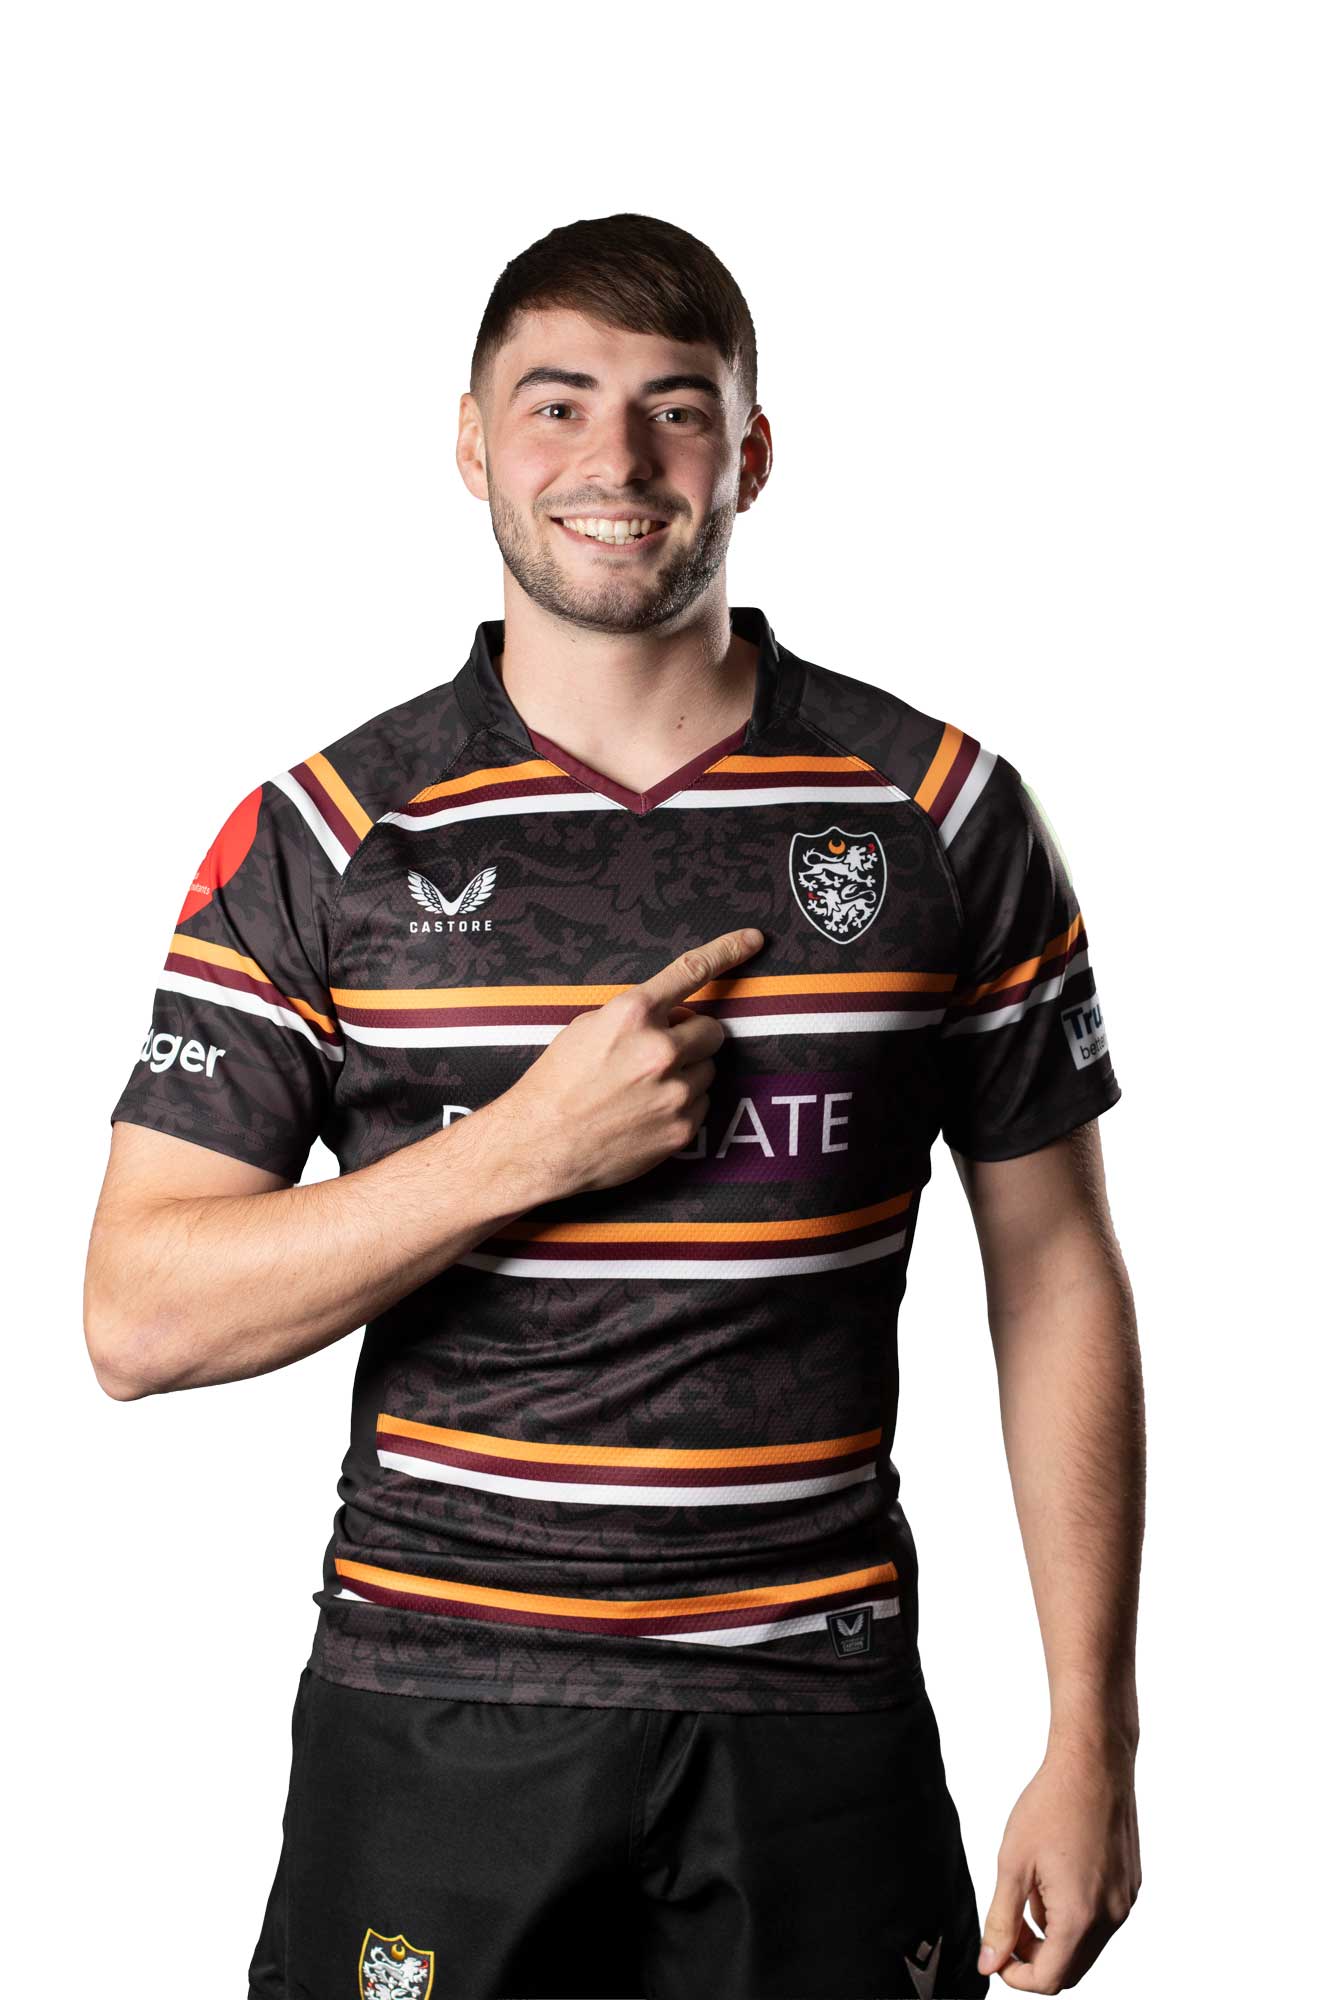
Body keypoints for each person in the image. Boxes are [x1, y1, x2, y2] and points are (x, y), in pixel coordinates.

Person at [85, 212, 1143, 1999]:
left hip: (814, 1711)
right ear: (472, 442)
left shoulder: (939, 810)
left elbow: (1054, 1273)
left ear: (751, 451)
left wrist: (1089, 1731)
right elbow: (138, 1317)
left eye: (675, 408)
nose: (617, 460)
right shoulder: (324, 833)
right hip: (432, 1706)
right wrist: (518, 1153)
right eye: (557, 403)